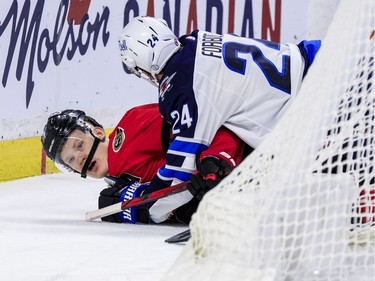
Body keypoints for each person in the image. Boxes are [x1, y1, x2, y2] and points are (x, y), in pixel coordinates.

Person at [118, 16, 321, 195]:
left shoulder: (182, 86)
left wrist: (141, 201)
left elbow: (178, 172)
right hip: (320, 55)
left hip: (316, 98)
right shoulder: (195, 40)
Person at [41, 103, 246, 224]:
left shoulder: (132, 126)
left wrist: (217, 159)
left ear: (97, 132)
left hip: (253, 160)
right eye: (70, 160)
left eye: (78, 146)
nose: (80, 159)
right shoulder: (119, 186)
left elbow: (210, 121)